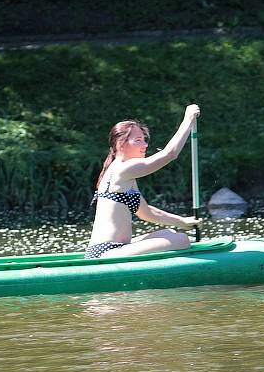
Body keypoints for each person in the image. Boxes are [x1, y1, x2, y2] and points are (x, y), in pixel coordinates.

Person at [85, 104, 201, 259]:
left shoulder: (121, 173)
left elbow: (147, 212)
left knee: (170, 233)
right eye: (138, 140)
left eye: (144, 140)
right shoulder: (124, 168)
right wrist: (188, 119)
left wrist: (183, 222)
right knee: (182, 239)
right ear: (121, 144)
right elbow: (170, 154)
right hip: (107, 252)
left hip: (113, 249)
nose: (145, 145)